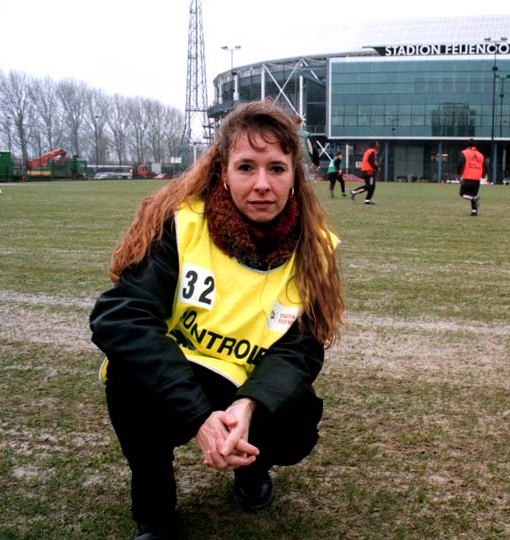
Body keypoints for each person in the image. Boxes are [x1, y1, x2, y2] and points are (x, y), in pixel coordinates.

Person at [90, 101, 344, 539]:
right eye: (246, 167)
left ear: (294, 175)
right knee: (129, 384)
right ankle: (154, 508)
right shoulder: (180, 224)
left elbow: (301, 347)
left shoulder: (315, 248)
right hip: (174, 378)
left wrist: (248, 406)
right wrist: (198, 418)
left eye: (276, 169)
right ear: (222, 171)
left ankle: (251, 464)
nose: (262, 184)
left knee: (296, 417)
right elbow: (120, 317)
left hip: (244, 385)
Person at [457, 141, 486, 215]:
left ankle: (474, 199)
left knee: (462, 193)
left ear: (467, 145)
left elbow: (460, 163)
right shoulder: (481, 155)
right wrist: (483, 175)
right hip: (477, 178)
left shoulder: (464, 153)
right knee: (473, 194)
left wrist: (458, 173)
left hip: (467, 177)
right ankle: (474, 211)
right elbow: (485, 166)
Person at [293, 115, 319, 179]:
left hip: (290, 162)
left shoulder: (286, 134)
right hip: (304, 161)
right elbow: (313, 150)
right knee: (303, 182)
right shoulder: (306, 135)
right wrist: (316, 164)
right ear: (300, 124)